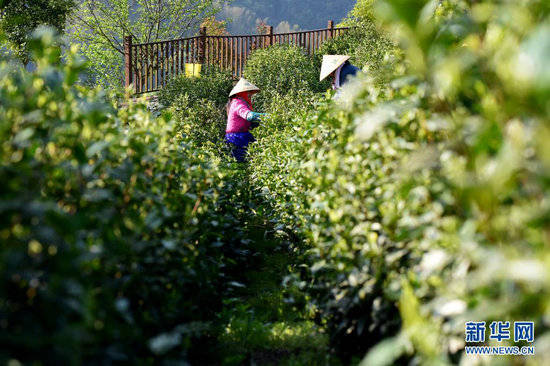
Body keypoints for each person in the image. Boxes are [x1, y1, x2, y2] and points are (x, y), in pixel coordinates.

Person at [225, 78, 266, 162]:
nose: (250, 95)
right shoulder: (238, 102)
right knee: (240, 163)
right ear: (242, 93)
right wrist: (268, 116)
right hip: (236, 137)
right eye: (248, 93)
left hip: (242, 135)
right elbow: (249, 116)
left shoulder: (240, 102)